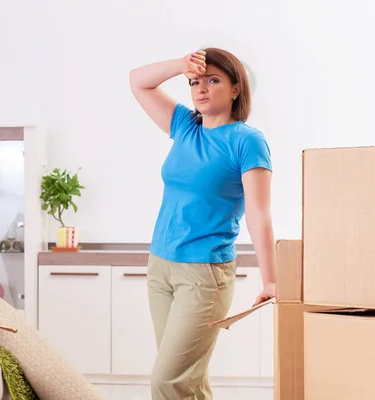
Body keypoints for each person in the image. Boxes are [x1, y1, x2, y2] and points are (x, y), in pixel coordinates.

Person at [129, 47, 276, 400]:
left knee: (168, 381)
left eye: (213, 80)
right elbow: (138, 82)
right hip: (160, 267)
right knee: (187, 381)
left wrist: (271, 278)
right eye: (195, 82)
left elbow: (259, 212)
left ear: (236, 88)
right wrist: (180, 65)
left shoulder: (247, 141)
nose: (201, 89)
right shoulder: (184, 126)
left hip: (203, 275)